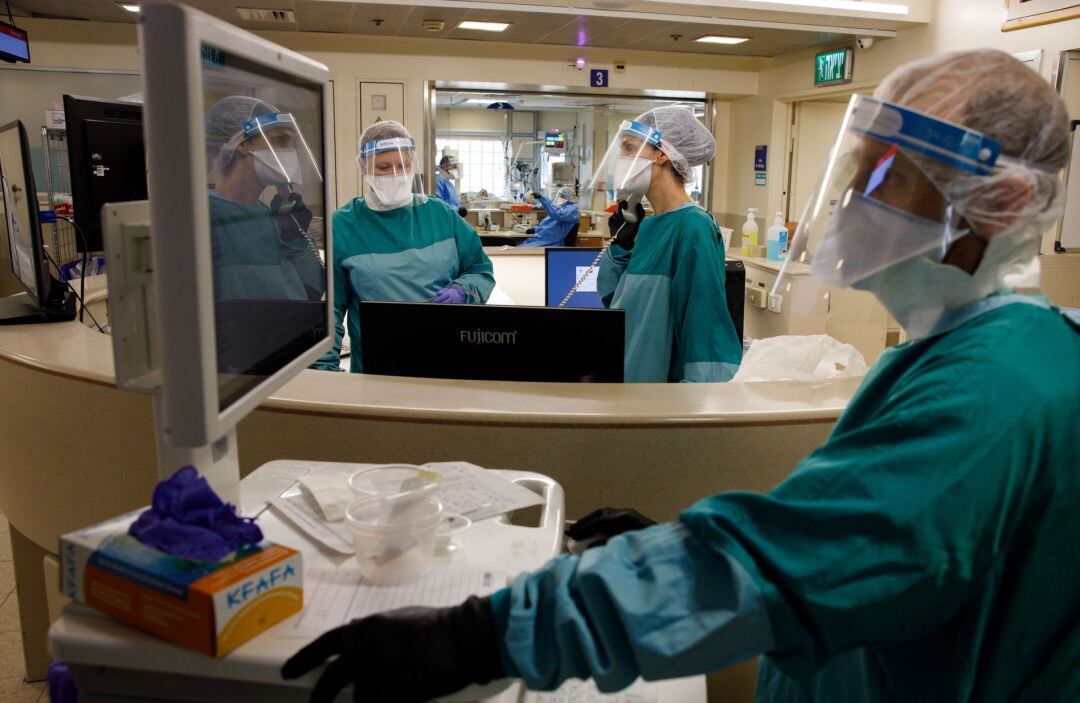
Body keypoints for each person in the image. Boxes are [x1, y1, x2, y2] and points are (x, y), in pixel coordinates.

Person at [282, 50, 1079, 702]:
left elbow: (778, 565)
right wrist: (670, 538)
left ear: (1001, 203)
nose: (850, 206)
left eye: (886, 180)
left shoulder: (991, 396)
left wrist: (476, 636)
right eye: (856, 175)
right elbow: (837, 526)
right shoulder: (976, 354)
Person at [312, 121, 494, 373]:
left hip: (447, 358)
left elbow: (480, 269)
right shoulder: (343, 225)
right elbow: (330, 309)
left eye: (403, 165)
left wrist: (464, 290)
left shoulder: (441, 215)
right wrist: (323, 370)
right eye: (384, 167)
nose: (395, 174)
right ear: (364, 167)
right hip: (376, 368)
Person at [597, 106, 741, 382]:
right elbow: (616, 305)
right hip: (630, 378)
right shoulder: (648, 225)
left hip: (663, 394)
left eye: (629, 148)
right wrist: (621, 248)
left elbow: (704, 322)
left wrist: (695, 398)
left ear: (663, 154)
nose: (622, 159)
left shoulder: (693, 226)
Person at [204, 96, 324, 301]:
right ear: (242, 143)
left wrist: (296, 238)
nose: (290, 152)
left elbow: (313, 290)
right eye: (280, 140)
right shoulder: (207, 218)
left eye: (292, 143)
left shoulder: (272, 217)